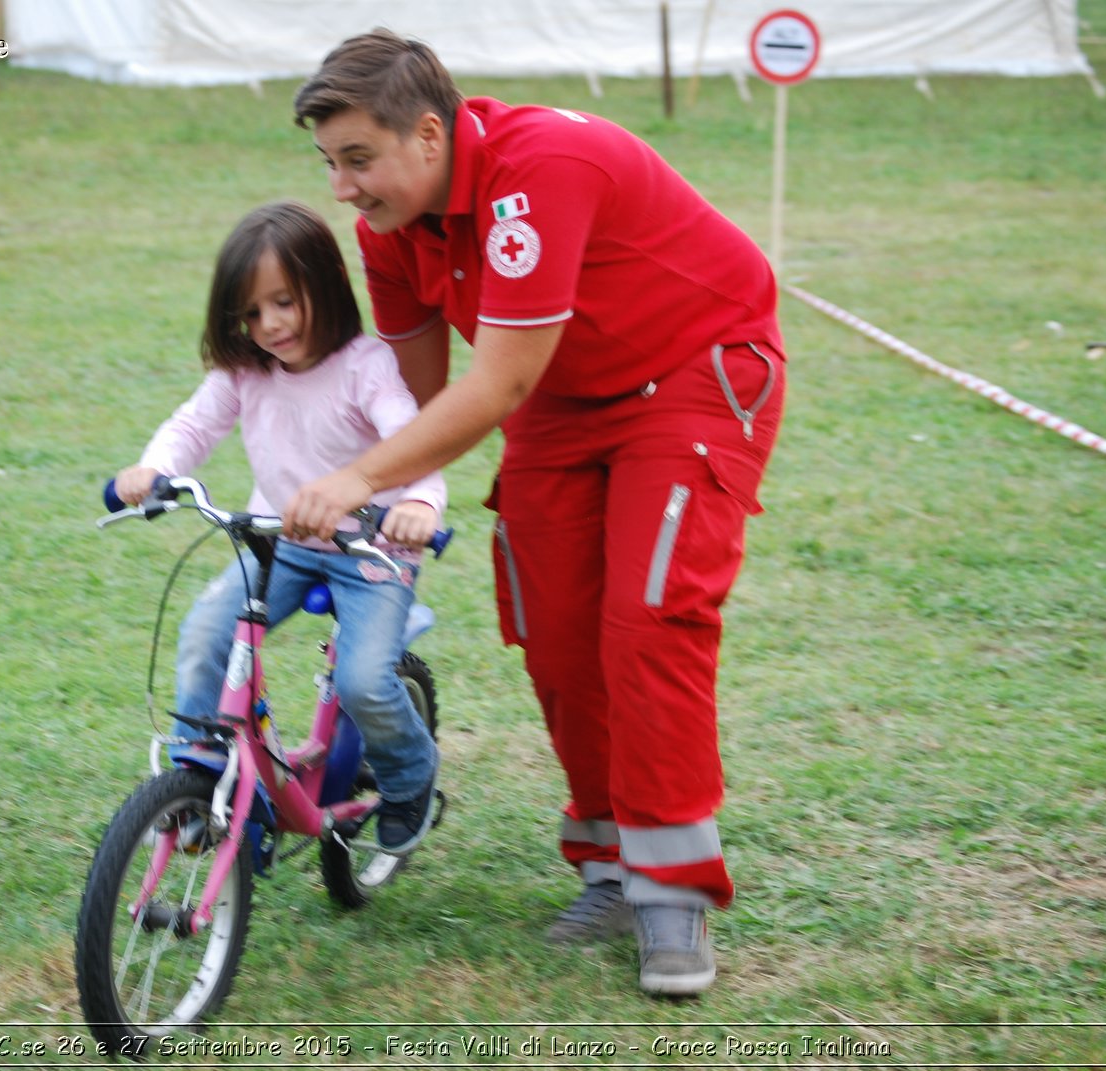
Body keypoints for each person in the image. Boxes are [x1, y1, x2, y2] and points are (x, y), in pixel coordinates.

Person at [284, 30, 786, 995]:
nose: (343, 188)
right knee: (556, 633)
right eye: (330, 165)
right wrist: (344, 487)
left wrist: (356, 485)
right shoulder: (390, 229)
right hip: (562, 395)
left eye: (358, 159)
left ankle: (672, 890)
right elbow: (420, 402)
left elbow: (499, 381)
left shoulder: (541, 166)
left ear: (429, 135)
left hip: (690, 372)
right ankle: (610, 864)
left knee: (647, 623)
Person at [112, 200, 446, 855]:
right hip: (281, 542)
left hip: (372, 548)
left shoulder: (364, 366)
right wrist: (155, 468)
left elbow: (414, 442)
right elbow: (194, 424)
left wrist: (421, 508)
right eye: (253, 312)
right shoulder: (246, 369)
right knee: (209, 630)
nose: (270, 325)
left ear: (322, 286)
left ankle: (411, 773)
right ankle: (200, 767)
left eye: (285, 302)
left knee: (361, 679)